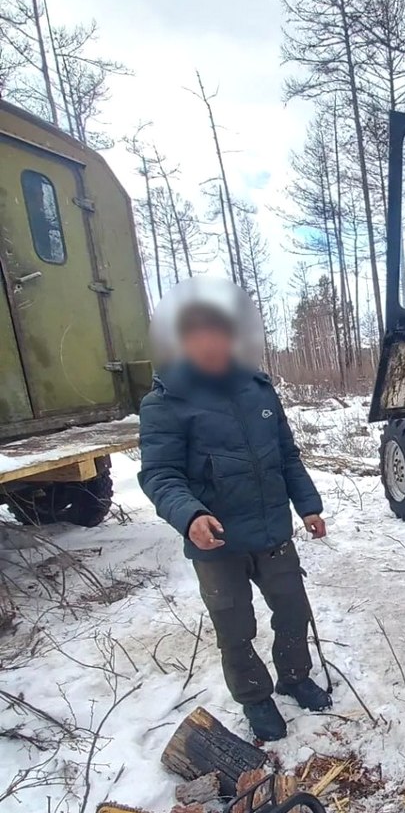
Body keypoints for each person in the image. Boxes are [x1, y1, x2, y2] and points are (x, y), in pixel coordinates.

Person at [138, 280, 330, 742]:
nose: (212, 344)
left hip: (272, 532)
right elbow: (160, 475)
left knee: (293, 612)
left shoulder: (259, 391)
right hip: (217, 543)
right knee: (235, 629)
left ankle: (295, 677)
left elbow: (287, 456)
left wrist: (308, 505)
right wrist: (190, 516)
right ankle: (255, 698)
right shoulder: (165, 403)